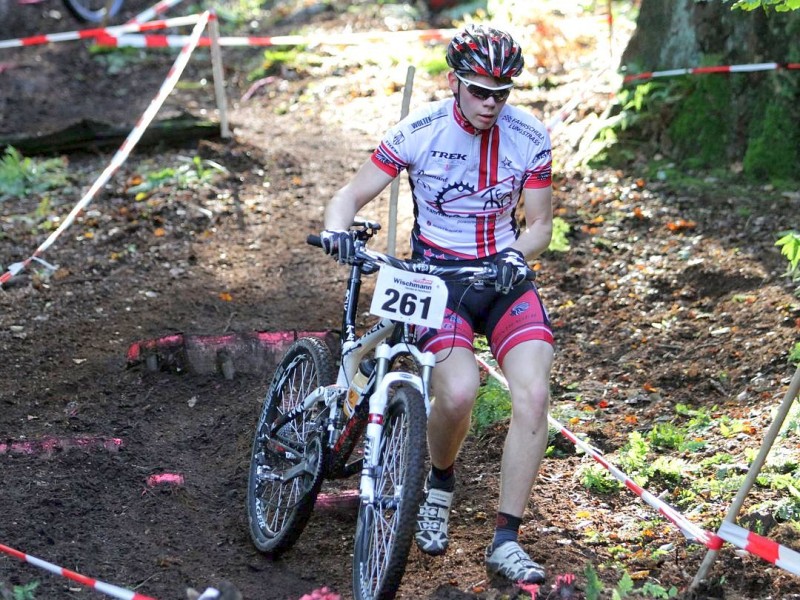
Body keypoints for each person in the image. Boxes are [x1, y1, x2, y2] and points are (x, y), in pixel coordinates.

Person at [318, 24, 554, 584]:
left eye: (502, 91)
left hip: (501, 277)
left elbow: (541, 225)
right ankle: (441, 482)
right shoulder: (418, 129)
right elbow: (350, 195)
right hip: (437, 281)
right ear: (454, 82)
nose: (491, 103)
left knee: (535, 392)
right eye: (479, 90)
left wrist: (515, 255)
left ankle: (505, 538)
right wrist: (336, 231)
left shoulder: (530, 135)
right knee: (457, 391)